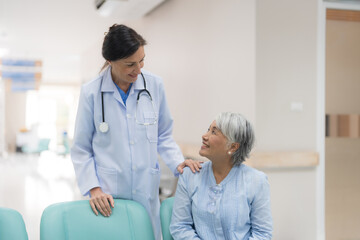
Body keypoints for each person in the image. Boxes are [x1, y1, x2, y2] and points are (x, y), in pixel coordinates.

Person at [71, 24, 201, 240]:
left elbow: (164, 135)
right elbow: (81, 149)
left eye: (142, 60)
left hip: (146, 192)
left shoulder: (154, 85)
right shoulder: (91, 93)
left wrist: (178, 163)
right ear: (110, 61)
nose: (138, 69)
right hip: (107, 196)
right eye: (130, 64)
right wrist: (94, 189)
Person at [170, 112, 273, 240]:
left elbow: (263, 234)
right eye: (208, 129)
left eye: (214, 132)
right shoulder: (190, 175)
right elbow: (180, 226)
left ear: (233, 146)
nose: (204, 136)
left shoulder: (257, 181)